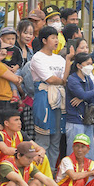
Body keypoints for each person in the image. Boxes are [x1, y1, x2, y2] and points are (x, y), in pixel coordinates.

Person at [30, 26, 67, 170]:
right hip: (44, 98)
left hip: (58, 99)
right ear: (44, 40)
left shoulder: (59, 58)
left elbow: (65, 77)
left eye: (57, 37)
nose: (56, 41)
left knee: (56, 140)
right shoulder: (38, 57)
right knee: (43, 139)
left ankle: (50, 172)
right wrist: (62, 81)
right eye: (53, 38)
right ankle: (39, 174)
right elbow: (50, 79)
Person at [66, 53, 94, 161]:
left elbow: (92, 98)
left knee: (88, 151)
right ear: (79, 65)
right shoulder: (73, 80)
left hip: (88, 119)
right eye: (88, 64)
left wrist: (84, 97)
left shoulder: (88, 79)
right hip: (75, 120)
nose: (90, 66)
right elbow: (85, 94)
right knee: (75, 151)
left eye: (91, 63)